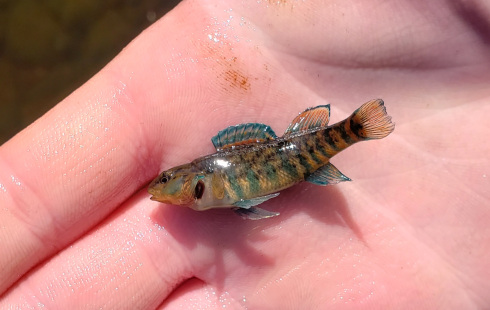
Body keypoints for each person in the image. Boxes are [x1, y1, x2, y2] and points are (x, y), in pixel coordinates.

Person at [1, 0, 489, 308]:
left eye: (166, 181)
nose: (160, 190)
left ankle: (356, 129)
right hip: (288, 152)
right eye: (165, 183)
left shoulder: (208, 185)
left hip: (294, 150)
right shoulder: (203, 188)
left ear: (189, 182)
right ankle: (355, 130)